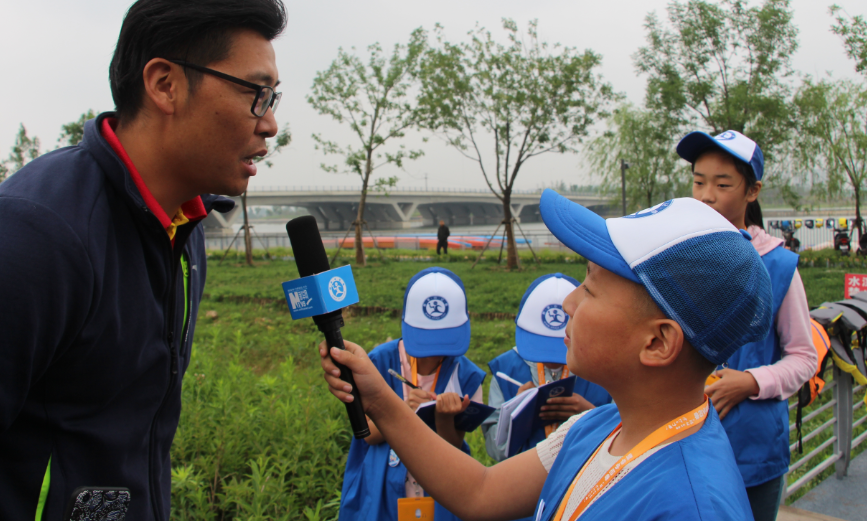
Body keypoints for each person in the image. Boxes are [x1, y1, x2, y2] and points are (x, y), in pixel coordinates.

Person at [0, 0, 286, 520]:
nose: (269, 123)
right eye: (256, 93)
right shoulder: (34, 235)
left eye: (273, 99)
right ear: (165, 84)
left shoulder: (184, 229)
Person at [321, 192, 772, 521]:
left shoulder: (692, 506)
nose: (569, 303)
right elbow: (480, 490)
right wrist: (379, 398)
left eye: (590, 287)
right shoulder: (596, 427)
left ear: (657, 343)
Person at [677, 130, 817, 521]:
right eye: (699, 182)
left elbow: (804, 357)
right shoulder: (677, 259)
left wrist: (751, 382)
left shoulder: (778, 266)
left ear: (752, 191)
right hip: (682, 439)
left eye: (722, 185)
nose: (706, 195)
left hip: (752, 450)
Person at [338, 267, 485, 521]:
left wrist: (443, 420)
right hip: (381, 494)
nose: (434, 352)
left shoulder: (466, 376)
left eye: (445, 340)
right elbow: (367, 435)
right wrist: (402, 410)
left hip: (441, 497)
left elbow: (454, 448)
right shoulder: (379, 362)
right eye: (426, 340)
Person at [482, 273, 611, 465]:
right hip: (524, 481)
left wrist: (591, 415)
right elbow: (495, 450)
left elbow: (627, 444)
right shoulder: (505, 372)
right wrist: (517, 418)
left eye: (566, 343)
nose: (552, 360)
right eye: (540, 348)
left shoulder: (605, 372)